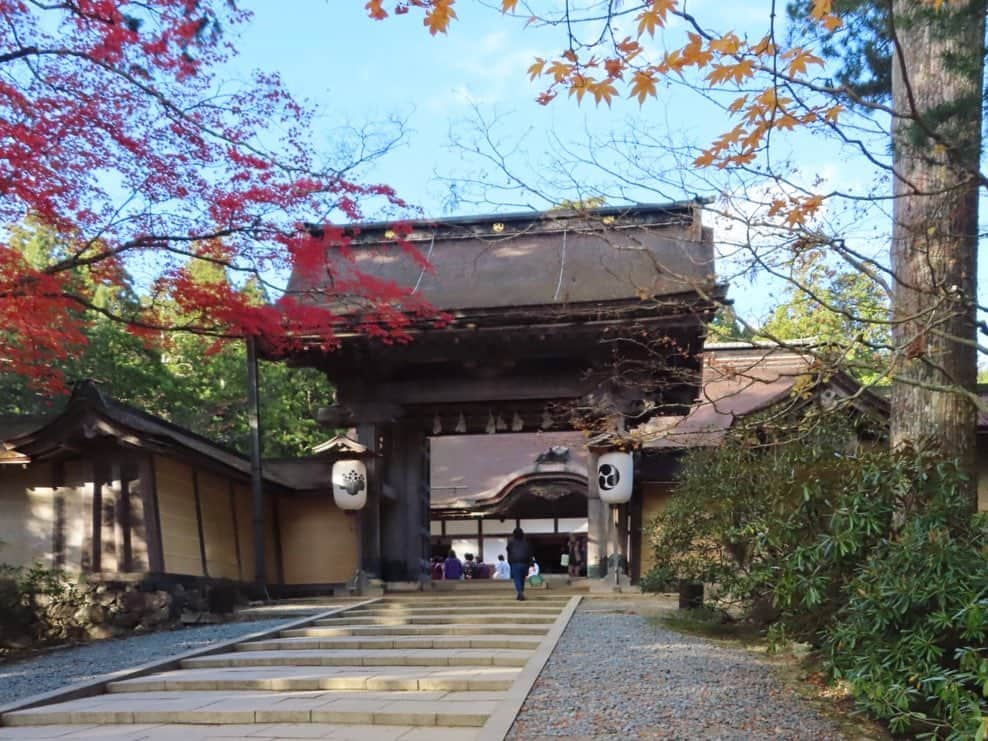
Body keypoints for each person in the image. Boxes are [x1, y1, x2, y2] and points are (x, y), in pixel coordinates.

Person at [506, 527, 533, 600]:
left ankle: (520, 592)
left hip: (515, 562)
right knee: (522, 579)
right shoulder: (526, 543)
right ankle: (520, 593)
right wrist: (531, 564)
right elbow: (530, 554)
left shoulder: (511, 543)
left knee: (517, 579)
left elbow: (508, 550)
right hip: (525, 563)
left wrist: (510, 562)